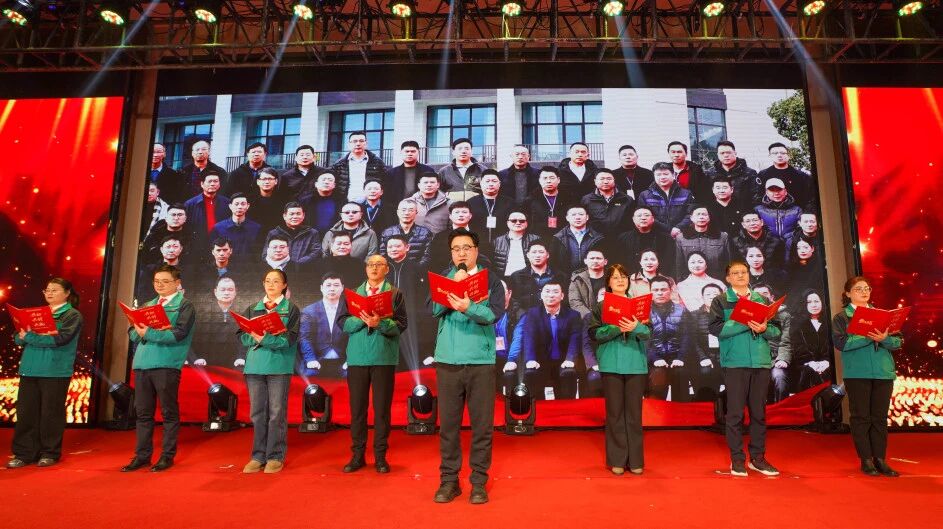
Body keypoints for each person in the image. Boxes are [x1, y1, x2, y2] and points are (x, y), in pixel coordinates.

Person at [430, 229, 504, 505]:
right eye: (456, 249)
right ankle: (449, 481)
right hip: (448, 360)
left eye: (466, 247)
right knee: (448, 426)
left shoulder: (491, 279)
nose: (461, 253)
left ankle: (478, 482)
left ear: (476, 250)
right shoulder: (445, 277)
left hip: (480, 361)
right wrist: (452, 285)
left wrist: (468, 307)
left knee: (482, 427)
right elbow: (433, 309)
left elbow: (494, 314)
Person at [708, 261, 782, 477]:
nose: (740, 275)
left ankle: (758, 459)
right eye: (735, 273)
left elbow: (777, 331)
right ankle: (737, 460)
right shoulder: (721, 301)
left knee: (759, 413)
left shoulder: (762, 300)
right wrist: (743, 320)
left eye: (743, 272)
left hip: (760, 361)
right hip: (735, 363)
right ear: (728, 278)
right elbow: (715, 329)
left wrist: (765, 328)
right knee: (735, 414)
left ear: (749, 275)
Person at [122, 265, 196, 473]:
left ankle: (166, 456)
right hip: (142, 363)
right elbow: (133, 333)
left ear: (177, 283)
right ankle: (142, 456)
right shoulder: (148, 305)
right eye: (156, 281)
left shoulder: (185, 306)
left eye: (165, 281)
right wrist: (139, 331)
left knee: (168, 412)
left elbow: (179, 334)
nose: (160, 285)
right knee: (143, 413)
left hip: (166, 364)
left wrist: (149, 333)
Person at [339, 255, 408, 474]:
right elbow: (342, 323)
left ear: (387, 269)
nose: (374, 268)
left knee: (381, 411)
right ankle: (357, 455)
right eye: (370, 264)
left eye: (379, 265)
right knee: (357, 410)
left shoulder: (395, 294)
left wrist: (380, 323)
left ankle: (380, 457)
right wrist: (361, 319)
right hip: (357, 358)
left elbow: (401, 325)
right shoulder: (352, 294)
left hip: (383, 358)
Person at [7, 278, 84, 469]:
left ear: (67, 293)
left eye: (54, 290)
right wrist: (23, 336)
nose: (49, 293)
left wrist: (30, 337)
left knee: (51, 414)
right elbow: (18, 337)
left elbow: (61, 339)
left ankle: (49, 452)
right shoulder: (36, 314)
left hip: (55, 370)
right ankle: (24, 453)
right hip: (30, 368)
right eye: (47, 290)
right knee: (26, 413)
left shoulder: (72, 315)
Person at [832, 276, 902, 477]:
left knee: (879, 418)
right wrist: (868, 336)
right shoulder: (842, 317)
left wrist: (885, 338)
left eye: (867, 288)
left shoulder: (884, 315)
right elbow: (841, 344)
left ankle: (880, 459)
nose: (864, 292)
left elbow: (898, 342)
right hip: (857, 373)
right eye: (858, 289)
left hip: (883, 372)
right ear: (848, 293)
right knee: (861, 417)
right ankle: (866, 460)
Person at [588, 264, 651, 475]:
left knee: (634, 414)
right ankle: (617, 459)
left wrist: (636, 327)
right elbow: (594, 334)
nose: (620, 280)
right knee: (614, 413)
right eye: (615, 277)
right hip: (611, 364)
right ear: (608, 282)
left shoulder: (639, 305)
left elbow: (648, 333)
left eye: (623, 276)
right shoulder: (601, 307)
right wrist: (616, 327)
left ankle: (635, 460)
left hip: (635, 364)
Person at [238, 269, 300, 474]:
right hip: (254, 367)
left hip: (279, 368)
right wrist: (255, 337)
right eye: (267, 281)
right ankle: (257, 456)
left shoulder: (290, 309)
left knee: (276, 414)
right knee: (257, 414)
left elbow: (289, 339)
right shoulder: (253, 308)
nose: (271, 285)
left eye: (276, 281)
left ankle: (275, 456)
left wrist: (265, 339)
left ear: (284, 285)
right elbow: (241, 336)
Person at [521, 280, 584, 400]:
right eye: (547, 291)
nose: (551, 295)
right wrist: (530, 359)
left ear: (562, 296)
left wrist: (570, 359)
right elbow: (529, 337)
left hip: (563, 361)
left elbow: (575, 339)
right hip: (541, 361)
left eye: (555, 292)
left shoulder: (573, 315)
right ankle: (537, 409)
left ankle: (567, 409)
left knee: (569, 372)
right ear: (541, 295)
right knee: (531, 372)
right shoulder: (533, 314)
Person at [647, 276, 690, 401]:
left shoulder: (682, 310)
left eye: (663, 289)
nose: (660, 293)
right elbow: (644, 339)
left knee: (680, 376)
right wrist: (655, 359)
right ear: (650, 292)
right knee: (658, 376)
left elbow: (687, 336)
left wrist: (680, 358)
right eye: (655, 290)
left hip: (677, 358)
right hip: (654, 359)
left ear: (670, 290)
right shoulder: (644, 312)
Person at [299, 273, 349, 378]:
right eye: (328, 285)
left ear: (342, 288)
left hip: (344, 360)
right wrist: (310, 359)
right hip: (317, 360)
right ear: (321, 288)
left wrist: (351, 359)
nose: (332, 289)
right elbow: (304, 338)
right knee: (308, 375)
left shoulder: (350, 310)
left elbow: (356, 337)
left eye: (336, 285)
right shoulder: (309, 311)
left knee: (353, 375)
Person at [637, 162, 696, 240]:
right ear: (654, 176)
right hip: (656, 236)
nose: (662, 177)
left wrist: (678, 228)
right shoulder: (644, 195)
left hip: (681, 234)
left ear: (673, 175)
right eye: (658, 175)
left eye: (665, 174)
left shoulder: (686, 193)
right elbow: (644, 216)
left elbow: (691, 214)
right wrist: (669, 230)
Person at [686, 283, 725, 401]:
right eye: (708, 294)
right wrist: (703, 357)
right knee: (705, 372)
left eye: (715, 294)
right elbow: (693, 341)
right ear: (702, 297)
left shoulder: (728, 315)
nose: (712, 296)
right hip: (704, 357)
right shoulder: (694, 315)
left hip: (724, 356)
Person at [674, 207, 731, 280]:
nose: (701, 217)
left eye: (704, 214)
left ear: (709, 218)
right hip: (691, 281)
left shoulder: (722, 237)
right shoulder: (681, 238)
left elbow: (728, 261)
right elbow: (679, 264)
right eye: (698, 214)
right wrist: (680, 281)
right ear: (691, 218)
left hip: (717, 279)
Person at [791, 289, 831, 393]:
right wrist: (811, 363)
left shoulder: (830, 321)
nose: (814, 305)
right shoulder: (797, 324)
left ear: (822, 302)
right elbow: (798, 349)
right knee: (809, 373)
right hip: (805, 364)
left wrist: (826, 362)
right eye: (809, 302)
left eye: (817, 301)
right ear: (804, 304)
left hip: (828, 363)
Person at [330, 131, 388, 202]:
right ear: (349, 145)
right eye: (354, 141)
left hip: (370, 204)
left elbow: (386, 183)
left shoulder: (377, 162)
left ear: (366, 144)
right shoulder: (340, 164)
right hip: (347, 204)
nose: (358, 144)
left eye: (361, 141)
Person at [263, 202, 322, 270]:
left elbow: (316, 252)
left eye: (298, 214)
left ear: (303, 216)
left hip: (303, 270)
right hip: (278, 269)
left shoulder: (312, 233)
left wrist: (298, 263)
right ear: (284, 216)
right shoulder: (274, 233)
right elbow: (265, 255)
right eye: (291, 214)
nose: (295, 217)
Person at [757, 143, 815, 211]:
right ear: (770, 156)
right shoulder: (763, 175)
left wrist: (807, 212)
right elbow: (758, 196)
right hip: (768, 213)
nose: (779, 155)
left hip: (797, 213)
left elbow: (810, 197)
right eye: (775, 153)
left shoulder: (801, 176)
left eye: (783, 153)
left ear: (789, 155)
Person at [184, 172, 231, 254]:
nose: (212, 184)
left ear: (219, 184)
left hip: (220, 244)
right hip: (197, 244)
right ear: (202, 184)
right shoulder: (190, 204)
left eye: (215, 181)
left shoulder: (227, 203)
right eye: (209, 181)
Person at [209, 192, 263, 263]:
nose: (239, 207)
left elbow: (258, 253)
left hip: (248, 267)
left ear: (248, 206)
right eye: (236, 204)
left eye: (243, 204)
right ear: (230, 206)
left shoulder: (256, 228)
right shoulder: (219, 228)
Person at [379, 198, 434, 268]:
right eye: (403, 210)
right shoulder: (387, 233)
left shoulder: (425, 233)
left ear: (416, 213)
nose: (407, 213)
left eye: (411, 210)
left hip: (416, 271)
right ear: (398, 212)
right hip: (392, 270)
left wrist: (415, 269)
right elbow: (383, 255)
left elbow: (427, 256)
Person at [552, 206, 604, 276]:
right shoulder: (558, 237)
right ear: (567, 218)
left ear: (587, 217)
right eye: (573, 215)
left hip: (591, 277)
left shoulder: (598, 238)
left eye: (581, 214)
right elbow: (553, 263)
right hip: (565, 278)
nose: (577, 217)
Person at [525, 166, 576, 238]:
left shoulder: (569, 199)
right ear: (539, 180)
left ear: (558, 180)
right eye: (545, 178)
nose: (548, 181)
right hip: (538, 238)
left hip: (564, 238)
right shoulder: (530, 200)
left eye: (552, 178)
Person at [707, 140, 760, 209]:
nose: (726, 155)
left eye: (728, 152)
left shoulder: (749, 173)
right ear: (718, 155)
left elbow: (756, 198)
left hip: (743, 212)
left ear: (735, 153)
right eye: (722, 153)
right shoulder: (710, 173)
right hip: (717, 211)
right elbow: (706, 196)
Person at [581, 168, 633, 237]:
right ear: (595, 181)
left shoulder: (626, 199)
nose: (605, 182)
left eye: (609, 179)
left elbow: (630, 222)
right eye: (602, 179)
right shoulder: (587, 199)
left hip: (621, 238)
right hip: (595, 239)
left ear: (614, 180)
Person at [468, 170, 514, 242]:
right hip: (478, 243)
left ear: (499, 184)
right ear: (481, 183)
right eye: (487, 181)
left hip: (503, 243)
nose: (491, 184)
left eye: (494, 181)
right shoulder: (471, 203)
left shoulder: (510, 203)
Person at [386, 140, 436, 206]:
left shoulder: (428, 170)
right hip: (399, 209)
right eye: (407, 151)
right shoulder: (391, 173)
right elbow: (387, 194)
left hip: (422, 208)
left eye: (413, 151)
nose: (410, 154)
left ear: (418, 152)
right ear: (401, 153)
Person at [492, 212, 539, 277]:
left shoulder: (535, 239)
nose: (518, 223)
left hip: (528, 278)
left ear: (526, 224)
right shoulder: (497, 241)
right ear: (507, 223)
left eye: (522, 221)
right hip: (504, 278)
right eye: (514, 221)